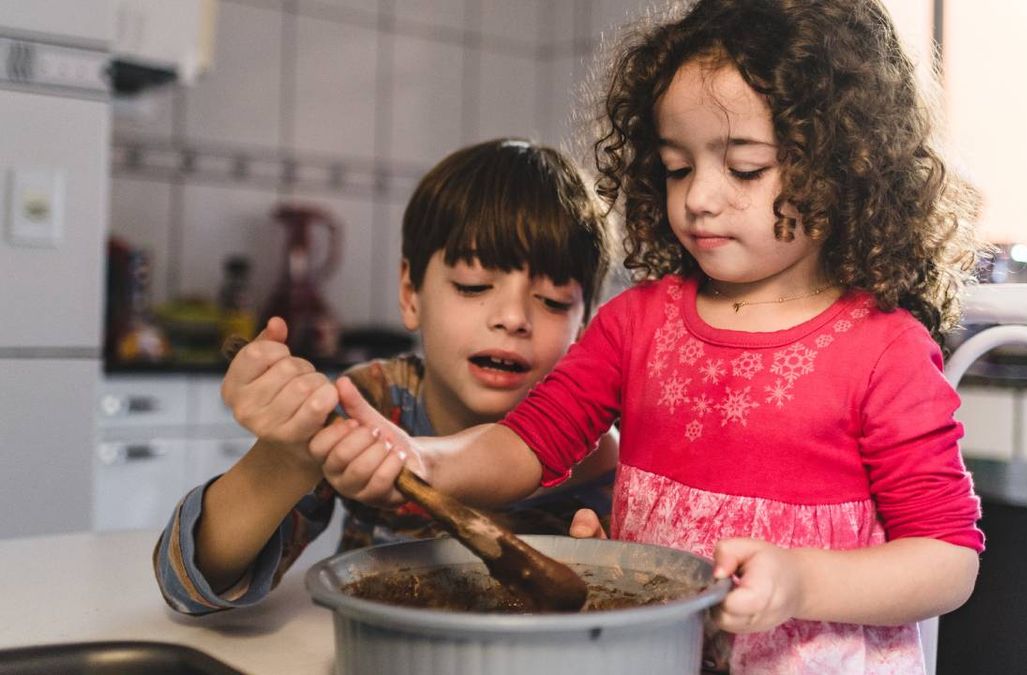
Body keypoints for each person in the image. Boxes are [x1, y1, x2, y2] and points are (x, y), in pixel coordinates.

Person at [312, 0, 989, 671]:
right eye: (677, 166)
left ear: (844, 168)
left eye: (744, 168)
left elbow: (947, 561)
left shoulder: (883, 350)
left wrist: (803, 582)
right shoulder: (638, 322)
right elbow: (530, 441)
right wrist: (430, 462)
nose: (698, 197)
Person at [153, 139, 615, 615]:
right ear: (411, 293)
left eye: (554, 301)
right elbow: (187, 584)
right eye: (473, 286)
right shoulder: (370, 405)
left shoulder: (597, 452)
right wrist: (287, 458)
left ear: (585, 327)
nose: (513, 317)